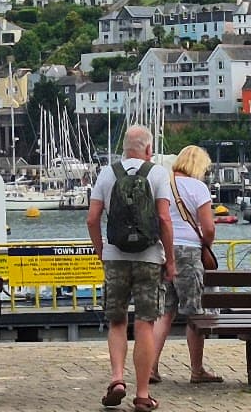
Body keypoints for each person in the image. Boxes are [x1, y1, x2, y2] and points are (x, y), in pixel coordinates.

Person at [87, 125, 175, 412]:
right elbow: (164, 219)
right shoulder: (158, 173)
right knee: (145, 323)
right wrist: (170, 259)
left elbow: (92, 219)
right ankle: (142, 394)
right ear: (148, 149)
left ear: (125, 148)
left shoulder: (107, 173)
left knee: (117, 320)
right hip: (149, 257)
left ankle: (116, 380)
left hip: (115, 256)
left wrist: (102, 252)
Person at [149, 145, 221, 385]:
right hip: (189, 253)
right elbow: (209, 228)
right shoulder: (198, 188)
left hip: (162, 251)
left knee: (164, 312)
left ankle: (150, 367)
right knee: (194, 312)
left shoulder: (162, 185)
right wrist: (205, 245)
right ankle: (197, 369)